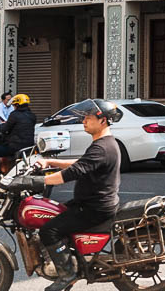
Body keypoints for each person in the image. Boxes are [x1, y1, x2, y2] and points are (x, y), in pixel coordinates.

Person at [28, 99, 124, 291]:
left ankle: (67, 275)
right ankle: (70, 260)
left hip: (94, 208)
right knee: (56, 213)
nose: (84, 122)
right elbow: (82, 163)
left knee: (49, 230)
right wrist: (50, 162)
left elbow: (74, 172)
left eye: (88, 118)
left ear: (102, 120)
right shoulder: (104, 144)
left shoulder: (102, 147)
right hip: (92, 203)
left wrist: (39, 181)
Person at [0, 94, 35, 173]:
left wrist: (3, 125)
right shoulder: (32, 116)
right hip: (29, 146)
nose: (13, 107)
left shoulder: (14, 115)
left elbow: (4, 129)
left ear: (17, 104)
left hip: (15, 146)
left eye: (14, 105)